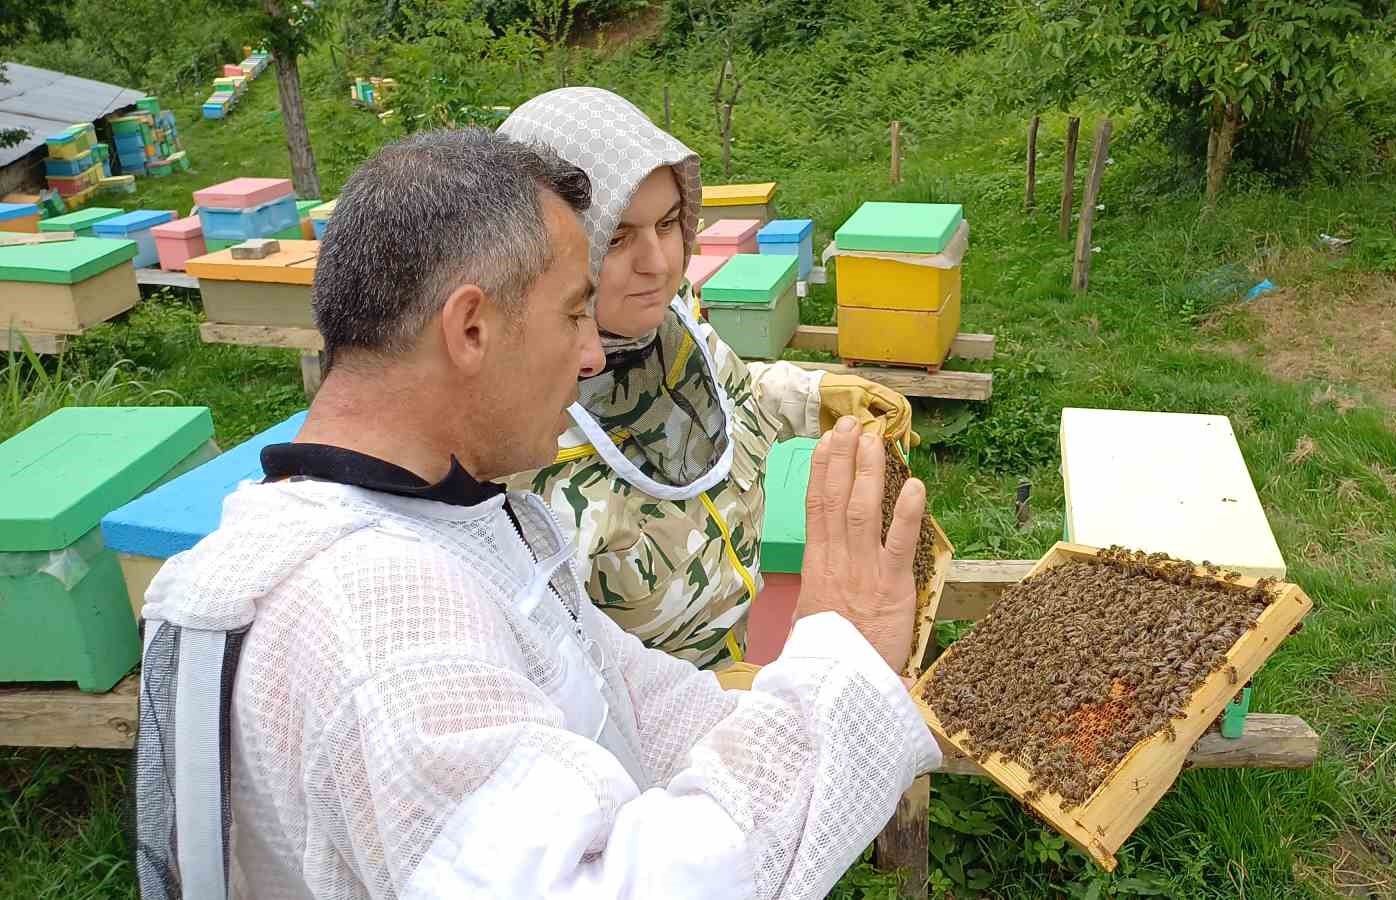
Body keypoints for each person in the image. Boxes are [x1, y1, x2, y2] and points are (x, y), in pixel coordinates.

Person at [131, 127, 941, 900]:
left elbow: (627, 694)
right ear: (471, 327)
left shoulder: (463, 513)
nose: (592, 354)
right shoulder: (379, 634)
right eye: (570, 314)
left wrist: (798, 704)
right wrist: (838, 668)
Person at [497, 87, 918, 671]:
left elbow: (723, 391)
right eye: (616, 237)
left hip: (746, 653)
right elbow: (549, 674)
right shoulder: (511, 442)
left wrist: (814, 396)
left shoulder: (673, 316)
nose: (658, 262)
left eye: (668, 224)